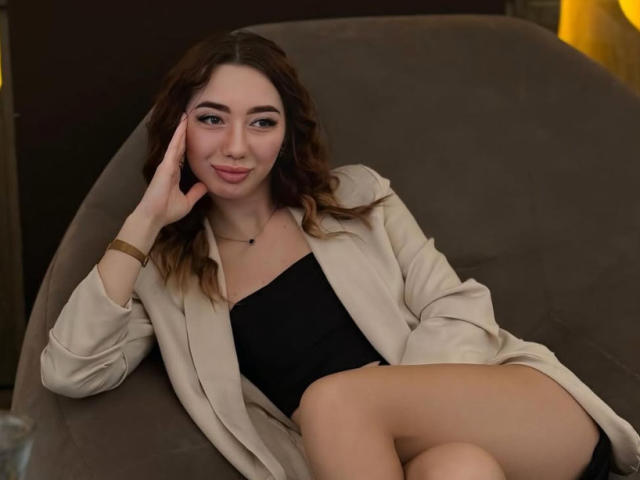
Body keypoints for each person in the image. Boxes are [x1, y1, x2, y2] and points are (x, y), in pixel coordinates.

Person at [40, 30, 640, 480]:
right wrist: (144, 221)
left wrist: (386, 398)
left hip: (518, 413)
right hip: (398, 464)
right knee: (459, 471)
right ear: (180, 130)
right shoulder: (165, 275)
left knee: (332, 399)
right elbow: (70, 371)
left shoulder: (355, 197)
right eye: (212, 119)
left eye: (261, 122)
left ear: (286, 134)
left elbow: (456, 305)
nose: (236, 146)